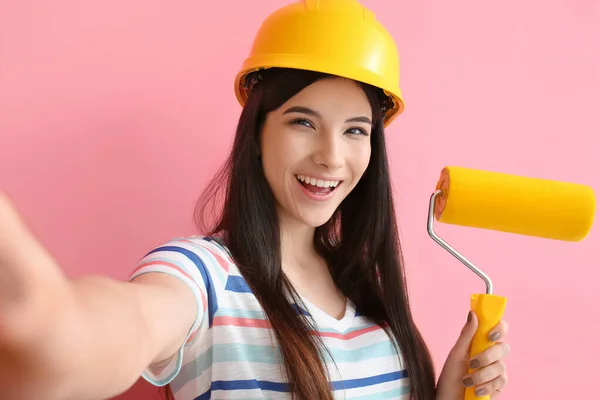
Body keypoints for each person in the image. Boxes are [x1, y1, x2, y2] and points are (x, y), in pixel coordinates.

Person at [0, 0, 510, 399]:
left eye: (355, 130)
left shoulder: (368, 290)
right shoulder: (204, 275)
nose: (332, 157)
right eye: (303, 122)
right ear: (257, 132)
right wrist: (45, 321)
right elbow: (99, 333)